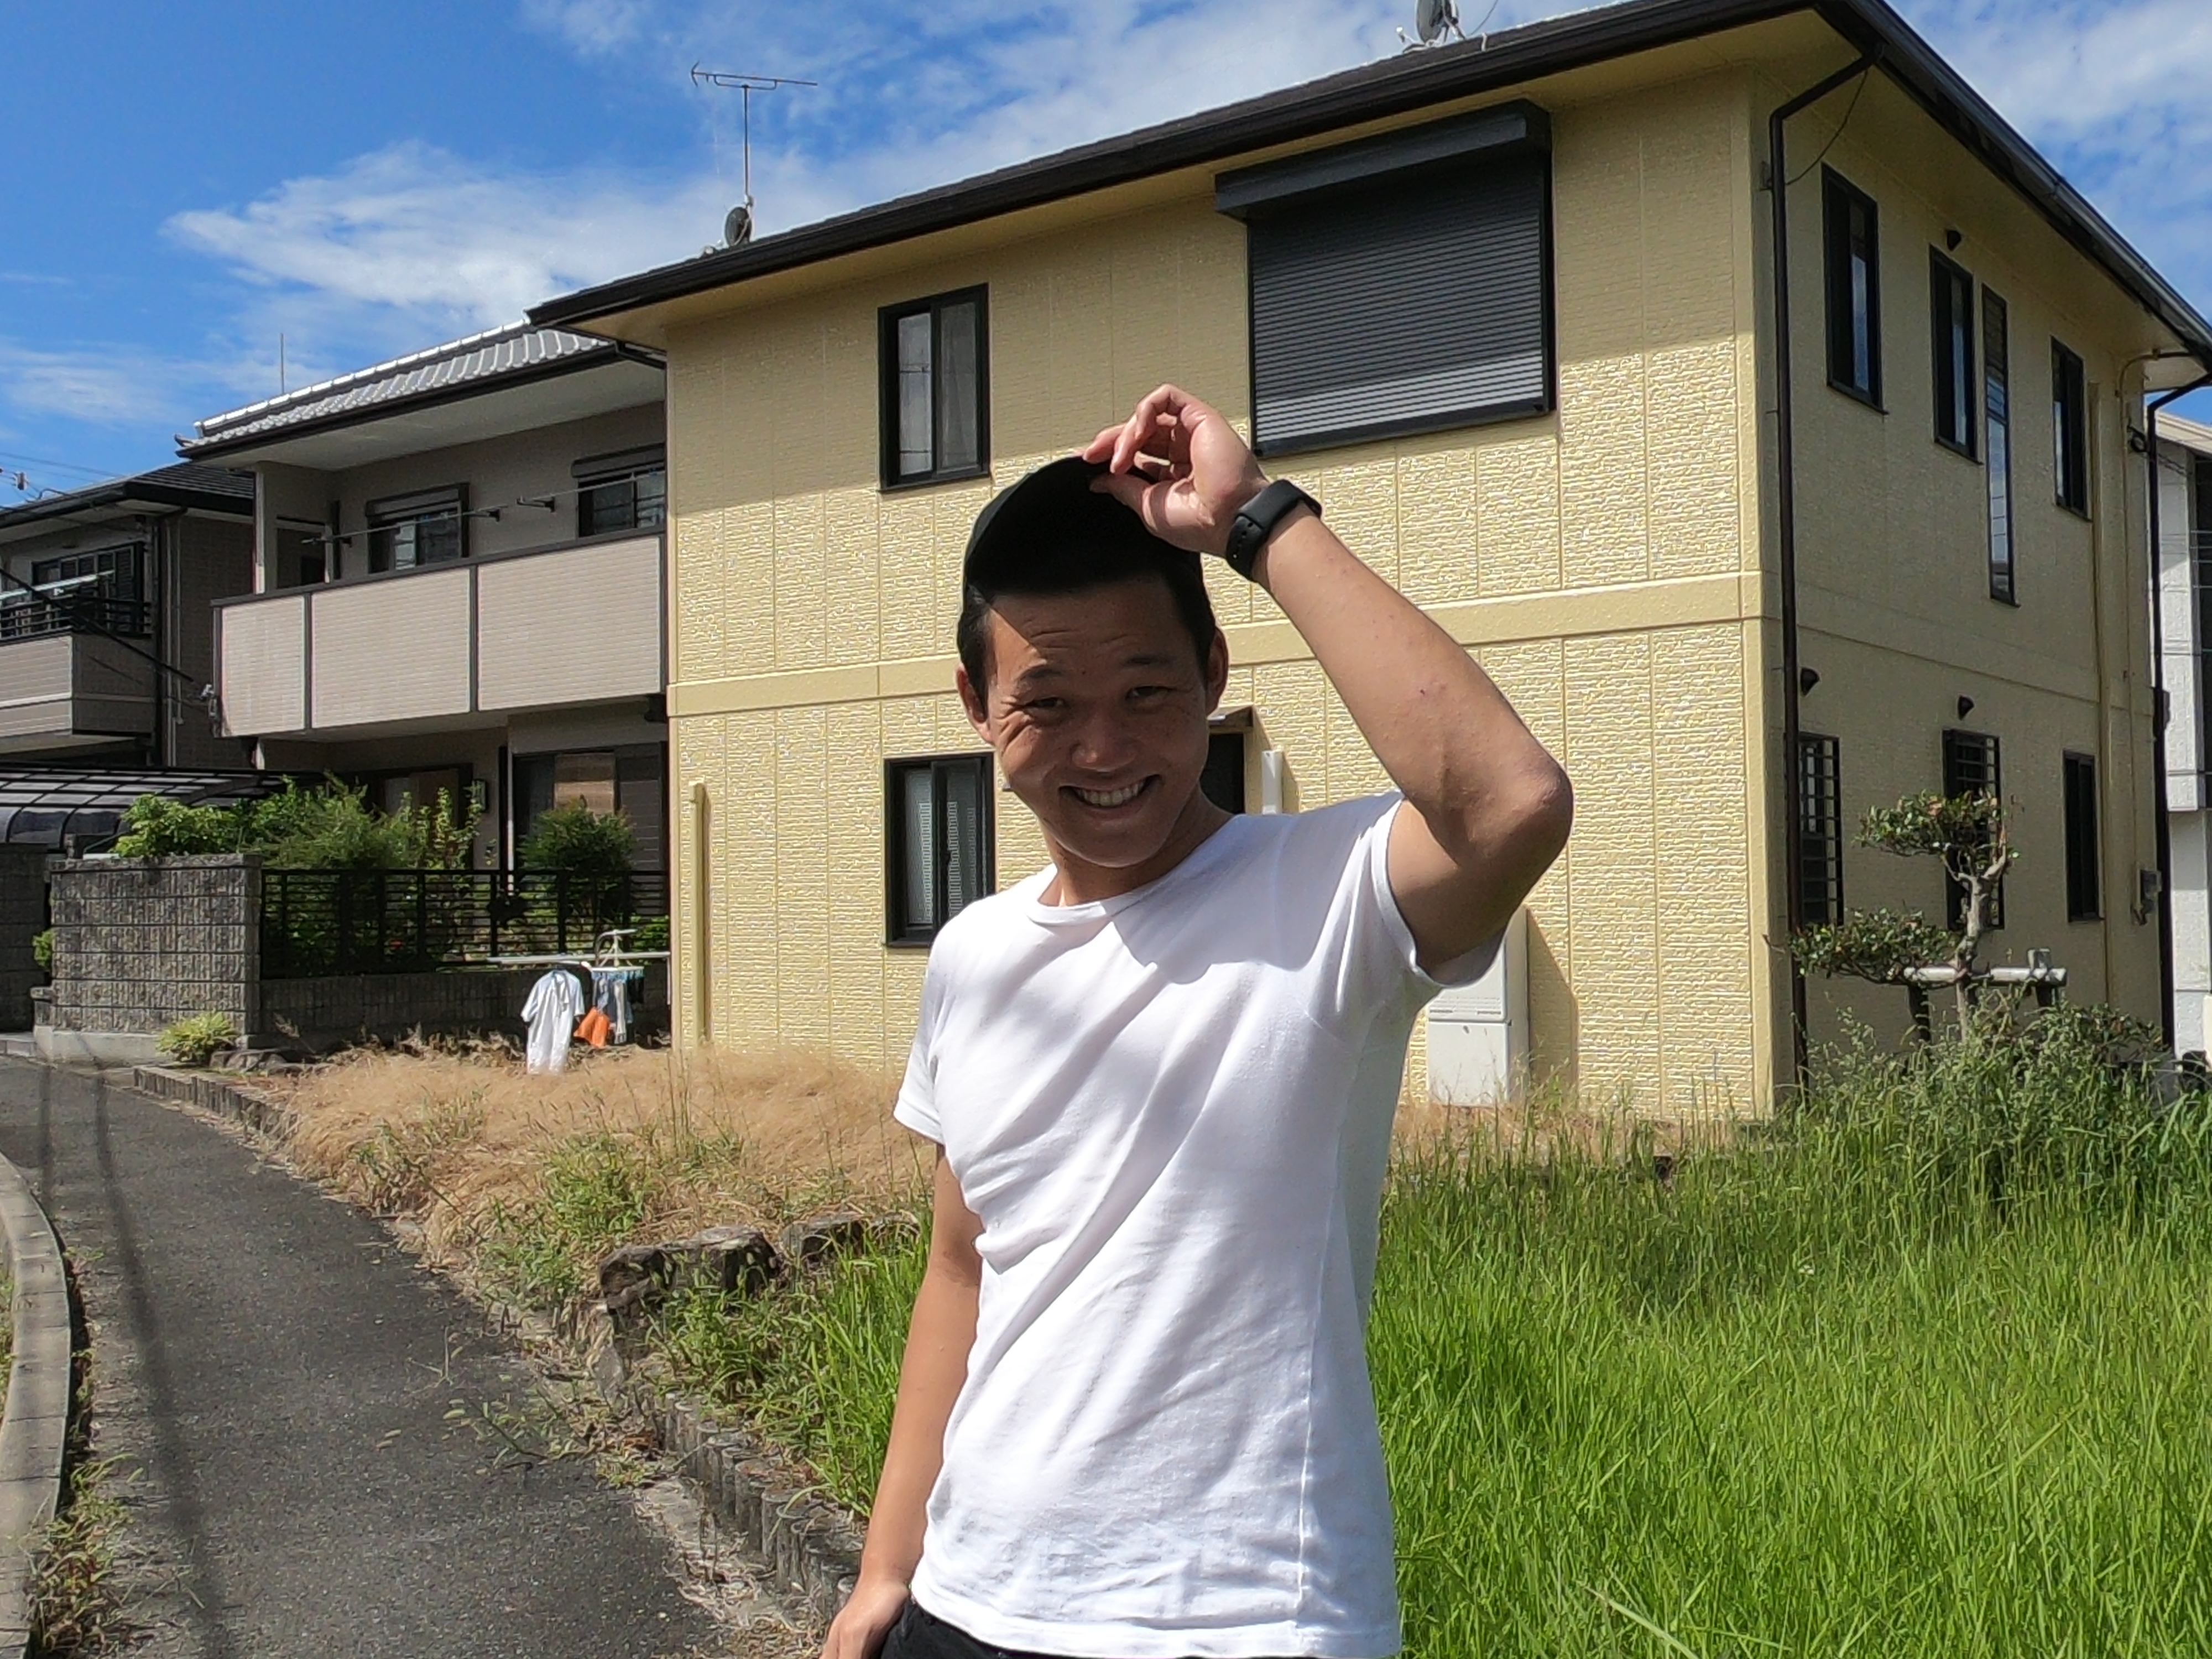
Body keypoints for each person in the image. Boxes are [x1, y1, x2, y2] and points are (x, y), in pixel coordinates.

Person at [825, 385, 1573, 1659]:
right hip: (967, 1602)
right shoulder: (972, 957)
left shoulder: (1328, 895)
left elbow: (1510, 801)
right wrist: (884, 1573)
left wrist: (1252, 518)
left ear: (1213, 676)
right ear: (975, 704)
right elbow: (961, 1267)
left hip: (1247, 1620)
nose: (1101, 747)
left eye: (1145, 691)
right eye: (1046, 703)